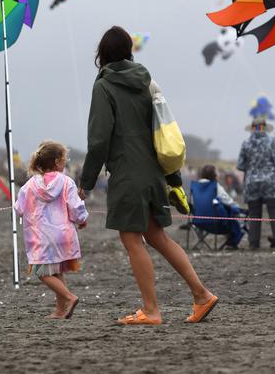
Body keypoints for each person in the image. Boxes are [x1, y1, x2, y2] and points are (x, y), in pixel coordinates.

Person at [79, 25, 218, 326]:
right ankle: (202, 295)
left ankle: (151, 310)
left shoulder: (103, 86)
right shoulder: (147, 81)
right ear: (129, 50)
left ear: (101, 54)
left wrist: (85, 182)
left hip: (128, 173)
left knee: (132, 240)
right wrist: (173, 179)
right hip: (154, 171)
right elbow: (163, 133)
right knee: (157, 236)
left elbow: (99, 140)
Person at [15, 141, 87, 319]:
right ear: (57, 162)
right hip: (63, 235)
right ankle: (61, 310)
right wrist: (82, 219)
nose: (65, 161)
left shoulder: (30, 185)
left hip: (41, 237)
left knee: (40, 272)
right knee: (55, 271)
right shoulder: (67, 182)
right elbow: (76, 207)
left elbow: (19, 208)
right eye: (64, 158)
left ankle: (69, 298)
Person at [237, 117, 275, 249]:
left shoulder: (246, 143)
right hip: (271, 182)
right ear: (265, 127)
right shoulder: (273, 141)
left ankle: (254, 244)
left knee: (254, 214)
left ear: (252, 128)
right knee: (274, 211)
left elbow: (240, 165)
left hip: (252, 183)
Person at [192, 164, 244, 249]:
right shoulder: (215, 186)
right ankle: (232, 243)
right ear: (214, 174)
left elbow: (191, 203)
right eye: (217, 172)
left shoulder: (195, 187)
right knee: (234, 215)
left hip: (198, 222)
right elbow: (228, 201)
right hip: (216, 224)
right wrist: (237, 208)